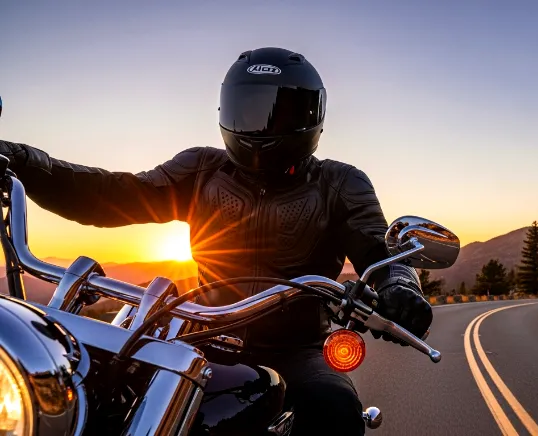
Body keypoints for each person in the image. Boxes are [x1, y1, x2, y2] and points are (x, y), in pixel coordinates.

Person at [0, 47, 433, 435]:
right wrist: (25, 163)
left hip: (296, 347)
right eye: (249, 108)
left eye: (278, 112)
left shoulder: (339, 183)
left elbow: (379, 249)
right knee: (95, 387)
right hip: (198, 334)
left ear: (310, 116)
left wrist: (400, 287)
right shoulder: (201, 169)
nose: (261, 125)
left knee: (334, 407)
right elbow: (113, 194)